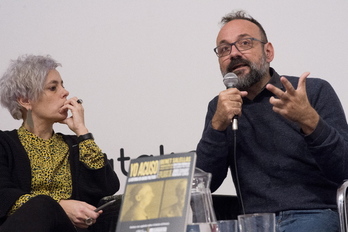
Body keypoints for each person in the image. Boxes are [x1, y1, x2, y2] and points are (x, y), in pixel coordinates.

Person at [196, 10, 348, 232]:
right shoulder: (221, 107)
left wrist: (310, 122)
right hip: (252, 221)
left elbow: (344, 169)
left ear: (268, 51)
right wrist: (217, 127)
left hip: (313, 214)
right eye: (224, 49)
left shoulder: (312, 91)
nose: (234, 54)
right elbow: (204, 186)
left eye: (245, 43)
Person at [0, 54, 120, 232]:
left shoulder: (73, 144)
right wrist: (59, 206)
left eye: (62, 85)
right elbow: (3, 195)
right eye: (53, 88)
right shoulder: (5, 143)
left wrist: (82, 131)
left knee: (119, 208)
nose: (65, 92)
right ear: (25, 100)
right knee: (41, 205)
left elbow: (107, 187)